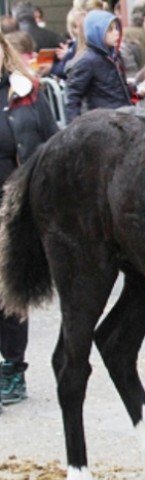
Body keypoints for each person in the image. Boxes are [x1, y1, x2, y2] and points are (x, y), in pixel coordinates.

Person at [0, 31, 58, 414]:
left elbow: (52, 143)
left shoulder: (28, 92)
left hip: (12, 205)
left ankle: (12, 367)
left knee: (9, 289)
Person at [65, 10, 134, 123]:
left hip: (123, 117)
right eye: (110, 30)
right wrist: (74, 128)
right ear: (97, 32)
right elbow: (73, 97)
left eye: (116, 28)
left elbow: (117, 89)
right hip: (105, 123)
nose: (116, 33)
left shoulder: (114, 56)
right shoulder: (88, 61)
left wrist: (134, 91)